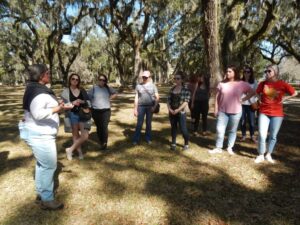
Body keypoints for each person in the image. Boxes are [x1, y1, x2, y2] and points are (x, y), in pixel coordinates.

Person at [22, 64, 73, 210]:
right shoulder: (37, 92)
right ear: (40, 76)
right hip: (40, 134)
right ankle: (47, 199)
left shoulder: (35, 89)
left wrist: (60, 106)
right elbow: (38, 113)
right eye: (47, 73)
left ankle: (41, 193)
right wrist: (59, 108)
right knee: (49, 165)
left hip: (39, 132)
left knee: (42, 164)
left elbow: (42, 109)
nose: (49, 74)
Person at [254, 64, 297, 164]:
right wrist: (259, 99)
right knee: (262, 134)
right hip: (264, 112)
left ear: (276, 72)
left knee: (273, 135)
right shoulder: (263, 83)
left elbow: (294, 93)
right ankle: (261, 154)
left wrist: (284, 99)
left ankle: (268, 154)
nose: (267, 73)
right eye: (266, 71)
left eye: (269, 71)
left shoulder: (282, 84)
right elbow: (256, 92)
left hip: (277, 114)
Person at [209, 65, 255, 155]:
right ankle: (218, 147)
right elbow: (217, 97)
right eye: (227, 71)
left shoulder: (241, 83)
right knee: (219, 129)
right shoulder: (221, 83)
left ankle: (229, 147)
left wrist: (243, 99)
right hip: (222, 111)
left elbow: (252, 92)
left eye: (230, 71)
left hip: (236, 112)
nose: (227, 73)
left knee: (232, 130)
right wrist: (215, 109)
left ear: (235, 73)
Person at [61, 73, 91, 160]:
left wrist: (82, 101)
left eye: (77, 79)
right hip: (72, 114)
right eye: (73, 79)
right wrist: (72, 103)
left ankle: (70, 150)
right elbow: (62, 105)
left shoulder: (82, 90)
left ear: (78, 81)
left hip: (83, 114)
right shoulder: (66, 91)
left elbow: (88, 102)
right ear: (70, 80)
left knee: (85, 136)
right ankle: (79, 152)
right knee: (75, 134)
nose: (75, 81)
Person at [88, 74, 117, 150]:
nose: (102, 81)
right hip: (95, 111)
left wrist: (109, 98)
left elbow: (115, 93)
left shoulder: (107, 88)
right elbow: (88, 98)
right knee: (99, 127)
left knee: (104, 126)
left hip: (106, 111)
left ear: (105, 81)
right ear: (98, 80)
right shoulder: (93, 88)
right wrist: (89, 108)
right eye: (100, 80)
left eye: (103, 80)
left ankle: (104, 142)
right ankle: (101, 140)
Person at [133, 70, 159, 145]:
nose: (144, 78)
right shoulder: (138, 86)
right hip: (140, 107)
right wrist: (135, 109)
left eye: (146, 77)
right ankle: (136, 139)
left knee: (148, 123)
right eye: (143, 77)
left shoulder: (153, 86)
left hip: (150, 107)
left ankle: (148, 138)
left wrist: (154, 107)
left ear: (149, 77)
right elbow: (136, 97)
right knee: (139, 123)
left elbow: (157, 97)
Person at [167, 71, 191, 150]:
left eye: (178, 78)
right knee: (173, 128)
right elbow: (168, 100)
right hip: (172, 112)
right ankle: (173, 143)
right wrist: (170, 109)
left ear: (182, 80)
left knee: (183, 129)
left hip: (181, 112)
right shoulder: (172, 89)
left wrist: (178, 110)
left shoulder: (185, 90)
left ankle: (186, 143)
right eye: (175, 78)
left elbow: (186, 101)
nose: (176, 80)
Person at [240, 66, 258, 142]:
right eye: (245, 72)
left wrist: (253, 98)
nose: (246, 73)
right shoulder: (240, 82)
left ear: (251, 73)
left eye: (248, 72)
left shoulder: (254, 82)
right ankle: (243, 135)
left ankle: (252, 135)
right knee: (242, 121)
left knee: (251, 122)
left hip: (251, 104)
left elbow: (256, 93)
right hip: (242, 104)